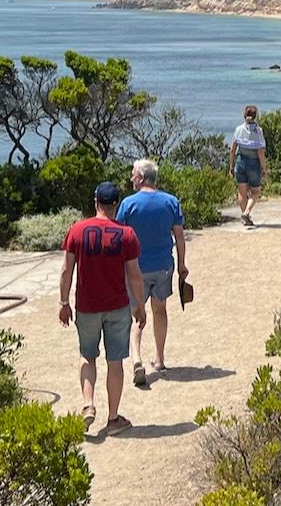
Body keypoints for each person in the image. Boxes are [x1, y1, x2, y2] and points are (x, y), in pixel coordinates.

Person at [60, 182, 146, 436]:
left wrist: (64, 303)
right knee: (115, 361)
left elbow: (67, 271)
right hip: (117, 306)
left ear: (96, 201)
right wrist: (140, 306)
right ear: (117, 204)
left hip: (87, 306)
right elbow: (135, 276)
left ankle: (88, 405)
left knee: (87, 356)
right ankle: (113, 418)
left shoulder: (77, 230)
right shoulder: (127, 234)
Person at [115, 160, 188, 389]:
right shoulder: (171, 202)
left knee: (137, 313)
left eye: (133, 175)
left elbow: (119, 237)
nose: (131, 179)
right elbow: (179, 236)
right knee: (160, 310)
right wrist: (183, 264)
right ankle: (159, 358)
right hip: (164, 265)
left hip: (136, 268)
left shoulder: (128, 204)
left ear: (141, 177)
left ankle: (136, 359)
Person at [230, 105, 267, 227]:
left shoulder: (238, 129)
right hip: (253, 163)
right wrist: (264, 168)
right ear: (256, 116)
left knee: (242, 191)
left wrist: (232, 165)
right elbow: (260, 151)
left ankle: (245, 216)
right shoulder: (258, 131)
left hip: (240, 161)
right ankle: (246, 212)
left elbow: (233, 149)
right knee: (255, 191)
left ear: (244, 115)